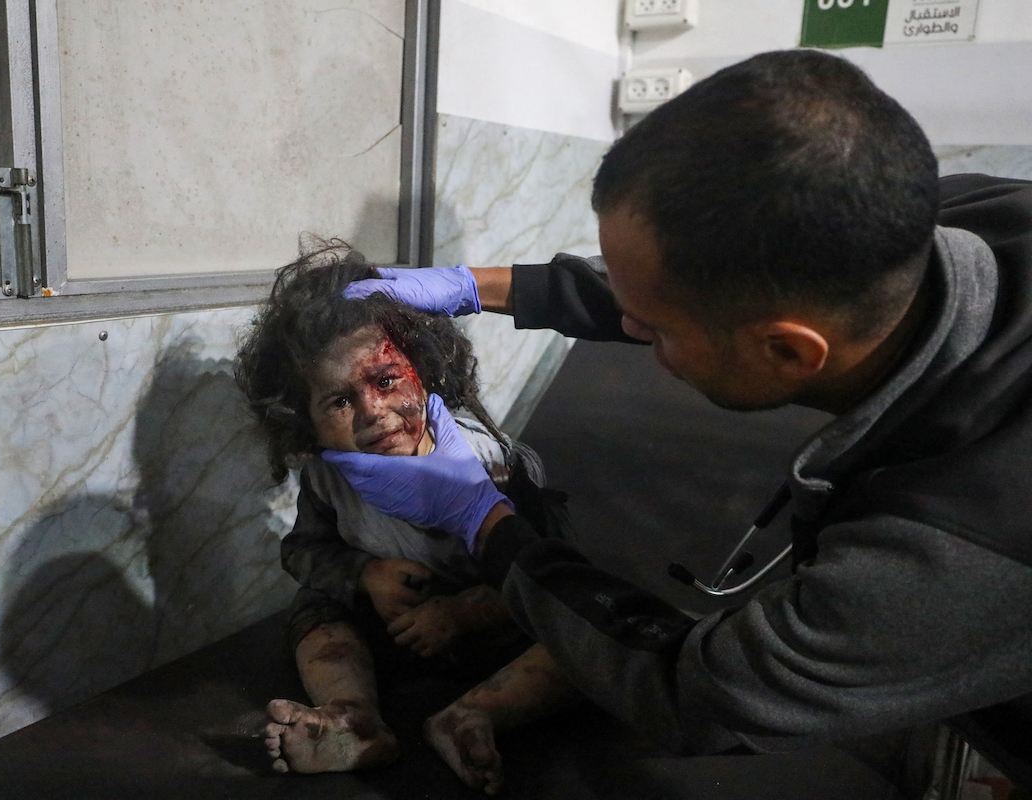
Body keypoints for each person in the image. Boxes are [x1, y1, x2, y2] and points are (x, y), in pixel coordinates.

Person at [323, 49, 1032, 793]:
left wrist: (482, 520)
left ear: (787, 352)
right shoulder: (932, 218)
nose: (630, 330)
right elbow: (696, 281)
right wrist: (478, 286)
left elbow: (704, 695)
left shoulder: (955, 542)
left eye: (654, 330)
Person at [233, 240, 578, 794]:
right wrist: (364, 576)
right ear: (305, 420)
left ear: (423, 369)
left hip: (490, 632)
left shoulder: (490, 461)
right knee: (315, 611)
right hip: (390, 632)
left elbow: (551, 576)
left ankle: (470, 716)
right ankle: (353, 719)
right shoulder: (329, 476)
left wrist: (462, 614)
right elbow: (303, 551)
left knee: (579, 637)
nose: (372, 412)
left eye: (385, 380)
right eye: (339, 402)